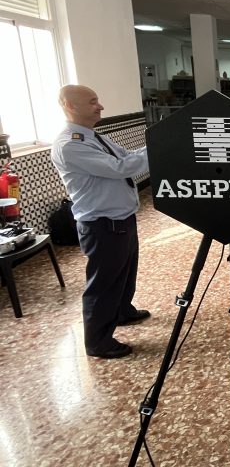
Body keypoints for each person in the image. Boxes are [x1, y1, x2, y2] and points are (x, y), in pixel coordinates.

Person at [50, 85, 150, 359]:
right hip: (102, 225)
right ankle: (98, 341)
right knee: (104, 284)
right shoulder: (70, 145)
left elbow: (126, 157)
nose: (100, 106)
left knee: (125, 274)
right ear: (70, 106)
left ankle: (122, 311)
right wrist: (158, 148)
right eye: (93, 102)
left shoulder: (91, 136)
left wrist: (153, 142)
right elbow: (121, 168)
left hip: (121, 219)